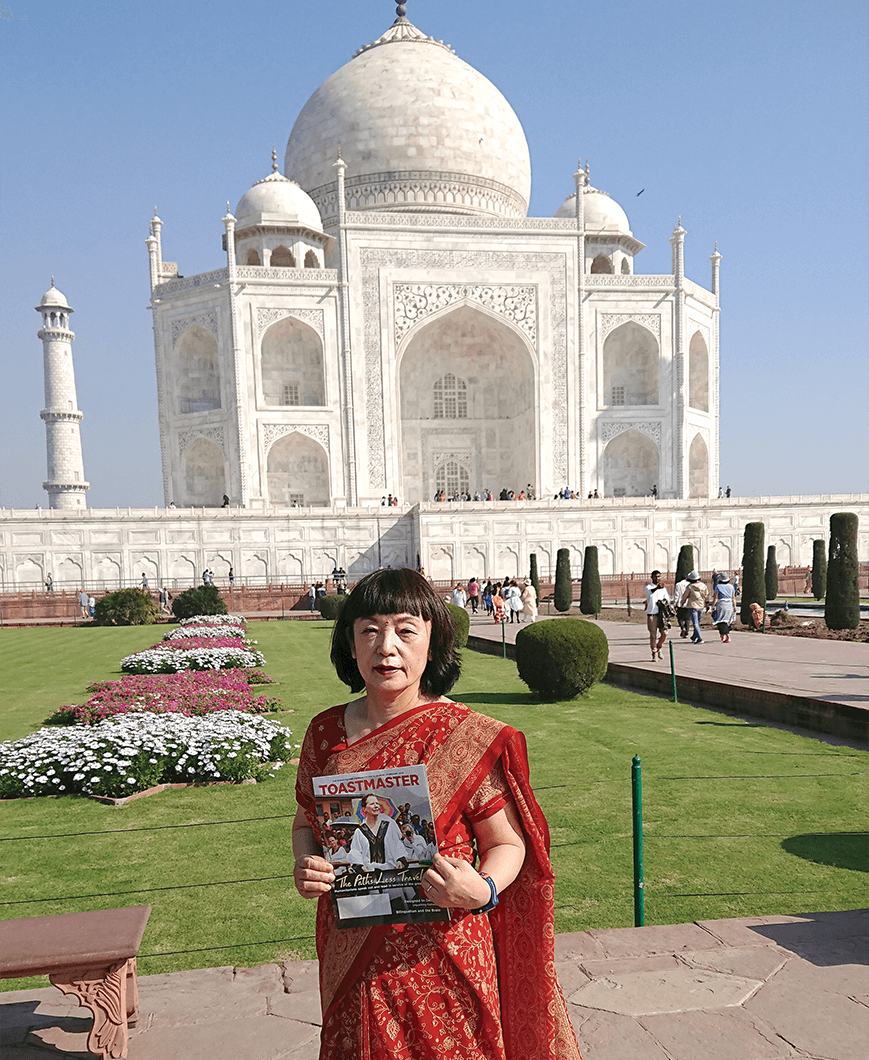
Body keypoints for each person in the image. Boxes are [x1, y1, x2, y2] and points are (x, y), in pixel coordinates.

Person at [292, 568, 580, 1060]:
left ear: (433, 642)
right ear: (351, 644)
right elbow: (305, 824)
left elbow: (507, 843)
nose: (386, 647)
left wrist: (483, 889)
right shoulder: (325, 733)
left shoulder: (462, 735)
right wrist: (307, 863)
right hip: (352, 953)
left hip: (446, 954)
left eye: (405, 631)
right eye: (369, 630)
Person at [644, 569, 670, 661]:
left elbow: (667, 600)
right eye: (655, 576)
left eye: (658, 576)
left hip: (661, 614)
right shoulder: (648, 587)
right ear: (652, 577)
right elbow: (650, 593)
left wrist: (662, 602)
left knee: (665, 633)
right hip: (652, 614)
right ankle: (654, 652)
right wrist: (657, 588)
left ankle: (659, 647)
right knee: (653, 635)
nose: (657, 578)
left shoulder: (663, 589)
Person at [677, 570, 709, 644]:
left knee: (695, 623)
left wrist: (681, 604)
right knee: (697, 622)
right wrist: (707, 605)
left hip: (693, 606)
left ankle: (700, 638)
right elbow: (706, 596)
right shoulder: (703, 586)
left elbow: (685, 596)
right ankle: (694, 637)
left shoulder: (690, 587)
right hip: (701, 605)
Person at [711, 573, 737, 643]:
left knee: (721, 620)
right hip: (729, 604)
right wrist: (735, 607)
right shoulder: (731, 586)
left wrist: (713, 606)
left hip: (721, 604)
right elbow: (733, 598)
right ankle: (724, 635)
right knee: (727, 620)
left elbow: (715, 598)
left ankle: (725, 635)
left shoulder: (718, 587)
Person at [673, 570, 690, 639]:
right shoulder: (689, 584)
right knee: (687, 619)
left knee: (679, 618)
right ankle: (687, 632)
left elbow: (676, 595)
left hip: (680, 604)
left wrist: (675, 603)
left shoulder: (678, 584)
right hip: (688, 603)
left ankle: (682, 627)